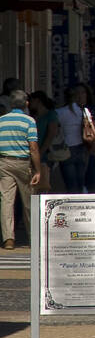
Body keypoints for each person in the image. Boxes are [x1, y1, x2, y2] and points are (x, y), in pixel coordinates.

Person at [0, 92, 40, 248]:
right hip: (23, 163)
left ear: (11, 104)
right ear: (27, 104)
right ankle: (33, 237)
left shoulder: (1, 121)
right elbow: (34, 147)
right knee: (28, 200)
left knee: (6, 201)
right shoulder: (29, 121)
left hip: (4, 162)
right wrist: (38, 170)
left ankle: (8, 238)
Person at [56, 84, 91, 193]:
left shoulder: (59, 112)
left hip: (66, 149)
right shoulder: (83, 111)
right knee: (80, 182)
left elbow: (57, 131)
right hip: (81, 148)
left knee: (70, 183)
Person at [29, 90, 62, 192]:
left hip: (44, 153)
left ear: (38, 101)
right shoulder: (32, 116)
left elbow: (51, 134)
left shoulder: (50, 115)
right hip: (32, 152)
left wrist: (41, 151)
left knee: (43, 183)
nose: (29, 104)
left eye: (31, 101)